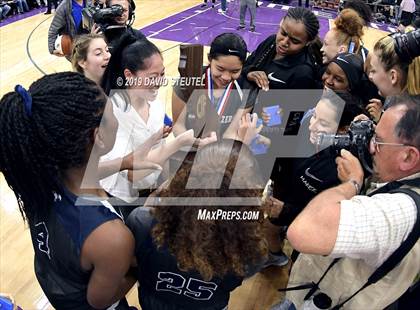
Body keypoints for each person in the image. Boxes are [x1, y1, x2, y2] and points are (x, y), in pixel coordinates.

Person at [0, 72, 136, 309]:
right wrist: (138, 267)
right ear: (99, 137)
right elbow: (99, 301)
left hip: (57, 275)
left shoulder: (37, 176)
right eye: (111, 109)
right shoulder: (111, 238)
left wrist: (123, 162)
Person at [284, 94, 420, 309]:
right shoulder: (403, 178)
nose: (370, 147)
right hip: (315, 286)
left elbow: (303, 232)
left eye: (378, 140)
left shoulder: (402, 211)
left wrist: (352, 182)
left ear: (408, 157)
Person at [126, 140, 268, 310]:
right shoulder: (252, 250)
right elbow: (232, 283)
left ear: (187, 175)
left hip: (153, 302)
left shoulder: (143, 221)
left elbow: (135, 263)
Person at [264, 89, 365, 267]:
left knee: (299, 263)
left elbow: (328, 220)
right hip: (284, 194)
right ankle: (275, 256)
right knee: (270, 228)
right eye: (314, 116)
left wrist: (286, 211)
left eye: (323, 123)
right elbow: (289, 151)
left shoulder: (345, 168)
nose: (311, 126)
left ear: (343, 130)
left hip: (305, 225)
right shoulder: (308, 129)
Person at [100, 35, 195, 203]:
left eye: (163, 73)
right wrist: (177, 144)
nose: (160, 81)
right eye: (153, 77)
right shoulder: (114, 111)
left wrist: (163, 187)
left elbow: (159, 154)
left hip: (149, 191)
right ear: (129, 75)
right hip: (120, 198)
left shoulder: (156, 105)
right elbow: (132, 174)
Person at [172, 32, 251, 142]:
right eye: (220, 69)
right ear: (209, 59)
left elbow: (231, 133)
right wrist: (196, 144)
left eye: (235, 71)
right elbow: (178, 127)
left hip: (222, 153)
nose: (226, 77)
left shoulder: (246, 89)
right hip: (190, 151)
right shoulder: (188, 81)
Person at [241, 7, 321, 93]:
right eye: (283, 33)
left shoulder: (303, 73)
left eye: (294, 41)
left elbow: (292, 105)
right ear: (281, 23)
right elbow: (247, 64)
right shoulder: (271, 41)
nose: (284, 42)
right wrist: (249, 72)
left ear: (308, 42)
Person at [367, 29, 420, 121]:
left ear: (393, 77)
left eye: (373, 71)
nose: (370, 76)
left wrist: (382, 121)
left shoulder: (406, 121)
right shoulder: (395, 99)